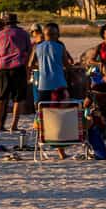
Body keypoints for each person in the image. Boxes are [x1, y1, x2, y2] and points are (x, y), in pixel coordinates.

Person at [28, 23, 74, 157]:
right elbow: (67, 64)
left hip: (43, 86)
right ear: (56, 34)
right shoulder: (60, 46)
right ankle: (61, 151)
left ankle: (42, 147)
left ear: (44, 34)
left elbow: (30, 64)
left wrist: (42, 66)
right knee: (60, 117)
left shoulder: (37, 47)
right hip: (59, 85)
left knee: (44, 117)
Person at [0, 13, 32, 133]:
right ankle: (14, 125)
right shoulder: (23, 34)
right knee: (18, 98)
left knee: (1, 97)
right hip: (18, 67)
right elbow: (28, 51)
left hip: (3, 68)